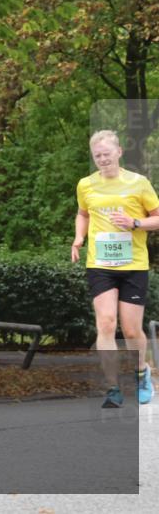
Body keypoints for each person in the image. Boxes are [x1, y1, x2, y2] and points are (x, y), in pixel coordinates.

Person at [72, 130, 157, 407]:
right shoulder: (86, 185)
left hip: (133, 264)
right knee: (106, 323)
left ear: (119, 152)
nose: (102, 159)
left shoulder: (139, 183)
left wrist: (134, 223)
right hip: (101, 264)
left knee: (132, 331)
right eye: (97, 156)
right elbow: (83, 213)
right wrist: (79, 238)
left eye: (107, 154)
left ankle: (142, 373)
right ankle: (113, 388)